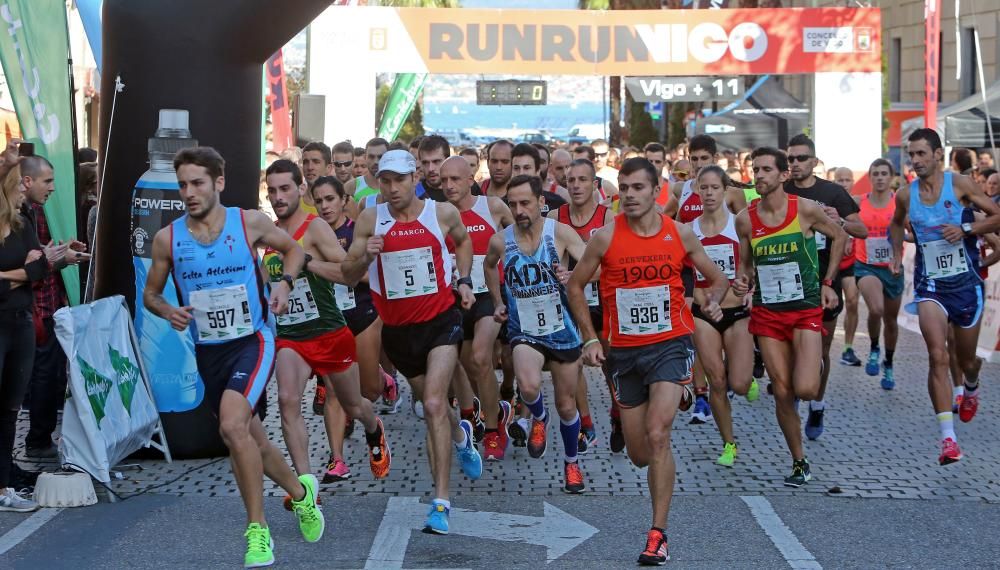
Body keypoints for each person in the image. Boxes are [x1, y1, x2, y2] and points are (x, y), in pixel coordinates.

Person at [144, 147, 324, 567]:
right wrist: (168, 309)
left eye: (198, 183)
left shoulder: (249, 223)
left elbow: (294, 251)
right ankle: (301, 495)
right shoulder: (168, 239)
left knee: (230, 425)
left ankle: (257, 531)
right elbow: (150, 294)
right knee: (252, 439)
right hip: (209, 350)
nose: (189, 192)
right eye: (183, 184)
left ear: (219, 183)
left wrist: (285, 285)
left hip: (253, 341)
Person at [567, 157, 728, 565]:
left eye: (638, 187)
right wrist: (589, 338)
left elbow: (717, 278)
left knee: (659, 434)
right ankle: (648, 408)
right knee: (640, 454)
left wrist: (711, 302)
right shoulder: (605, 238)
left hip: (671, 345)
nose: (630, 195)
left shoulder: (680, 234)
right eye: (625, 187)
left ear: (657, 191)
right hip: (623, 353)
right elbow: (574, 286)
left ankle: (658, 533)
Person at [341, 149, 482, 535]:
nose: (392, 188)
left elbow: (464, 243)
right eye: (384, 180)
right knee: (433, 406)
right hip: (399, 333)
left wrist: (465, 279)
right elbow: (349, 274)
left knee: (436, 402)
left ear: (415, 177)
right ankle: (460, 437)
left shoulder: (441, 213)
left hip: (441, 322)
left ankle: (440, 502)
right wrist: (364, 257)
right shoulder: (370, 218)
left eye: (399, 180)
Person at [262, 161, 391, 504]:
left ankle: (373, 427)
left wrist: (308, 264)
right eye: (272, 190)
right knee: (288, 401)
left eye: (285, 189)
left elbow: (349, 272)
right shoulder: (271, 232)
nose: (278, 197)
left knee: (353, 403)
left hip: (330, 332)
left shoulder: (314, 227)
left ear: (301, 189)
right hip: (291, 336)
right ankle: (306, 488)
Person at [733, 146, 846, 487]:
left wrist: (828, 282)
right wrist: (743, 281)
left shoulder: (805, 210)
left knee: (807, 389)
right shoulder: (745, 220)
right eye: (756, 170)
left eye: (767, 169)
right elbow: (746, 265)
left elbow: (839, 236)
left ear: (783, 175)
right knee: (782, 391)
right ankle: (799, 461)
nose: (760, 175)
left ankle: (813, 367)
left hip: (805, 308)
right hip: (768, 314)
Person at [889, 128, 1000, 465]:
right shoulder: (906, 195)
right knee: (938, 355)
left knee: (966, 360)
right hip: (930, 287)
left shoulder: (961, 186)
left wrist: (966, 229)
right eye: (912, 154)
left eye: (922, 153)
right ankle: (948, 440)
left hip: (966, 287)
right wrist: (896, 253)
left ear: (938, 155)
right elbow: (896, 224)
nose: (915, 161)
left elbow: (996, 216)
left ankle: (971, 383)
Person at [484, 174, 589, 494]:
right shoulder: (502, 240)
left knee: (567, 406)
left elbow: (594, 264)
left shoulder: (559, 233)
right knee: (528, 386)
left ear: (542, 203)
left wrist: (573, 275)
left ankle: (571, 464)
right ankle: (538, 417)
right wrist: (499, 301)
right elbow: (489, 266)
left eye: (525, 203)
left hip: (563, 330)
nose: (519, 210)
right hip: (524, 329)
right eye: (513, 204)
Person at [312, 176, 399, 483]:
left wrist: (341, 270)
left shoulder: (356, 232)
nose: (325, 207)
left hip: (363, 314)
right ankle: (337, 461)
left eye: (330, 199)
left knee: (369, 390)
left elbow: (368, 277)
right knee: (333, 392)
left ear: (343, 201)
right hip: (329, 321)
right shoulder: (311, 236)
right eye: (319, 201)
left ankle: (383, 379)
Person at [783, 134, 867, 441]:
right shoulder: (782, 190)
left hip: (824, 281)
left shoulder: (832, 192)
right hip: (789, 281)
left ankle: (817, 403)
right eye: (790, 158)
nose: (794, 164)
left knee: (821, 349)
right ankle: (793, 390)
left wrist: (840, 222)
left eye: (801, 158)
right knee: (790, 346)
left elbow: (863, 229)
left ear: (814, 161)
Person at [666, 134, 748, 425]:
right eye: (694, 158)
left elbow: (751, 236)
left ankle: (744, 371)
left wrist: (747, 279)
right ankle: (704, 398)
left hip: (734, 298)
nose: (698, 164)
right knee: (713, 369)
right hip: (699, 294)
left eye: (704, 159)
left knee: (738, 379)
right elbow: (664, 219)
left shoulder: (735, 198)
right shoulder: (681, 189)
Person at [441, 156, 515, 460]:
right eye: (444, 180)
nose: (448, 186)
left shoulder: (492, 206)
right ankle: (478, 411)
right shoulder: (437, 213)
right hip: (452, 296)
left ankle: (495, 429)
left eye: (455, 180)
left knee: (482, 358)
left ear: (470, 178)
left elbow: (520, 233)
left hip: (487, 294)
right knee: (461, 363)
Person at [21, 155, 89, 458]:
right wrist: (61, 259)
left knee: (46, 375)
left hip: (47, 306)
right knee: (43, 376)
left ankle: (38, 439)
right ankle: (37, 441)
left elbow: (41, 259)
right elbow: (32, 266)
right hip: (36, 310)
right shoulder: (24, 214)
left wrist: (62, 254)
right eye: (47, 181)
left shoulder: (35, 211)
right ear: (27, 181)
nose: (52, 188)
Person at [689, 165, 755, 467]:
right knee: (716, 379)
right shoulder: (689, 230)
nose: (710, 193)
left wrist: (747, 283)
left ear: (725, 189)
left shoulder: (739, 224)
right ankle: (729, 443)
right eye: (704, 188)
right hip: (704, 314)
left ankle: (747, 376)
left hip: (736, 310)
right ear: (696, 191)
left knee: (738, 384)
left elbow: (750, 264)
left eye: (715, 188)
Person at [549, 159, 614, 453]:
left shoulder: (608, 218)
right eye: (570, 179)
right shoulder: (554, 217)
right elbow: (550, 260)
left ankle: (618, 412)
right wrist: (560, 275)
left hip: (604, 300)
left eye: (582, 180)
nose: (575, 185)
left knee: (610, 363)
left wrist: (578, 275)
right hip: (570, 301)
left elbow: (613, 265)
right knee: (572, 364)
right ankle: (586, 423)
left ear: (595, 185)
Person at [0, 144, 47, 512]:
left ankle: (3, 487)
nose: (23, 190)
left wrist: (10, 277)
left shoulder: (23, 222)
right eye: (18, 185)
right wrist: (24, 274)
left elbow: (41, 268)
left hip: (20, 322)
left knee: (10, 408)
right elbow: (30, 269)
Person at [853, 159, 904, 390]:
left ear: (892, 177)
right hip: (866, 266)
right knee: (876, 309)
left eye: (884, 173)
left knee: (891, 321)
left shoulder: (899, 204)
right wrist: (845, 239)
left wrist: (899, 248)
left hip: (892, 268)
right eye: (876, 173)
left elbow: (912, 232)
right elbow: (846, 224)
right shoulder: (858, 202)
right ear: (870, 177)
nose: (880, 177)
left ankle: (889, 362)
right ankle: (874, 348)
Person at [831, 167, 862, 367]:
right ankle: (825, 342)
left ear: (853, 182)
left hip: (850, 263)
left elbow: (863, 229)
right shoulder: (827, 204)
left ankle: (848, 347)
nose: (843, 183)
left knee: (852, 301)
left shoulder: (857, 204)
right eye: (840, 180)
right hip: (832, 264)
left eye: (847, 180)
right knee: (832, 308)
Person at [510, 143, 569, 213]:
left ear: (537, 171)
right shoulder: (501, 205)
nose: (521, 173)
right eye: (516, 168)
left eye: (527, 168)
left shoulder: (557, 202)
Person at [345, 137, 389, 205]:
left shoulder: (395, 187)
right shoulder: (351, 186)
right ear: (365, 157)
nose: (376, 162)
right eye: (371, 157)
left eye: (380, 157)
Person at [416, 135, 450, 202]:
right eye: (425, 163)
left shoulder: (466, 189)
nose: (430, 169)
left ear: (448, 160)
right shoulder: (414, 194)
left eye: (436, 161)